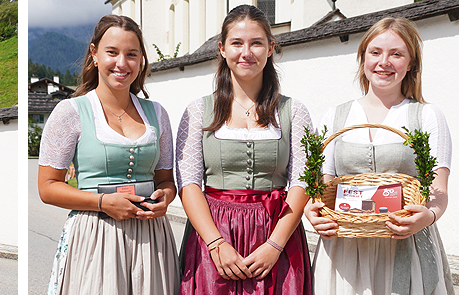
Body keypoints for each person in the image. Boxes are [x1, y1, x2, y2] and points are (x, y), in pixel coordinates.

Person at [304, 17, 454, 294]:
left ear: (410, 64)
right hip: (344, 248)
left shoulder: (427, 116)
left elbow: (438, 190)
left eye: (396, 54)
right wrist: (311, 212)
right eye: (375, 52)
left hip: (405, 244)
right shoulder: (335, 116)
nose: (384, 62)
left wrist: (428, 217)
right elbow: (322, 188)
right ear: (363, 59)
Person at [175, 5, 312, 294]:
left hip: (277, 234)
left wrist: (274, 246)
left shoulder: (293, 111)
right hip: (214, 236)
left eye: (256, 43)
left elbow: (302, 182)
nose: (246, 52)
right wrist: (216, 243)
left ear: (271, 48)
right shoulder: (200, 110)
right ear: (222, 48)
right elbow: (188, 184)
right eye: (237, 43)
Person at [38, 14, 179, 294]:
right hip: (95, 233)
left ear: (141, 60)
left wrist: (166, 197)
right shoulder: (71, 112)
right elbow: (47, 188)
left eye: (131, 54)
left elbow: (165, 180)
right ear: (94, 53)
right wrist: (103, 202)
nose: (122, 63)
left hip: (151, 238)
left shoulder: (157, 114)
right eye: (112, 52)